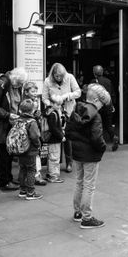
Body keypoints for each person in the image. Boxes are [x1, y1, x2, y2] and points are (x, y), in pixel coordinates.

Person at [65, 83, 111, 229]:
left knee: (79, 182)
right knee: (89, 186)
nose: (102, 107)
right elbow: (97, 139)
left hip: (77, 152)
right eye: (103, 103)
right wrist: (102, 148)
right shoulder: (95, 116)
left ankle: (77, 212)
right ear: (97, 100)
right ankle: (87, 218)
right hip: (90, 155)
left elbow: (68, 132)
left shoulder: (76, 109)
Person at [0, 67, 27, 191]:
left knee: (8, 153)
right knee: (3, 154)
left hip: (8, 124)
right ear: (14, 79)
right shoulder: (2, 84)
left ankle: (8, 178)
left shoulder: (12, 84)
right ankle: (4, 182)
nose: (19, 86)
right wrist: (7, 115)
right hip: (0, 125)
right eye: (18, 83)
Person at [42, 63, 81, 173]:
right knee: (56, 136)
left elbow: (78, 92)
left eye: (61, 76)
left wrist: (66, 96)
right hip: (55, 113)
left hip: (68, 111)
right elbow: (44, 97)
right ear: (53, 74)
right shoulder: (47, 81)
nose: (59, 78)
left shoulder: (70, 77)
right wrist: (51, 104)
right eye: (57, 76)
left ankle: (69, 162)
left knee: (67, 137)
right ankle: (56, 164)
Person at [16, 99, 43, 201]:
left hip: (20, 149)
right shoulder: (32, 122)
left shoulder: (18, 120)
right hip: (30, 149)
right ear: (32, 110)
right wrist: (38, 145)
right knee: (31, 170)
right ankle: (30, 193)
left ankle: (22, 190)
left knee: (22, 169)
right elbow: (35, 136)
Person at [22, 81, 46, 186]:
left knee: (31, 157)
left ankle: (29, 178)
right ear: (26, 92)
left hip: (34, 128)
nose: (35, 93)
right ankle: (36, 176)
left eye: (36, 91)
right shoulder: (27, 103)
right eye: (32, 91)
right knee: (34, 154)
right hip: (31, 131)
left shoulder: (35, 101)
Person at [91, 65, 119, 151]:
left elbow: (91, 95)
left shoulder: (93, 82)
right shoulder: (108, 81)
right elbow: (113, 94)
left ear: (94, 73)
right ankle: (114, 137)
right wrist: (112, 104)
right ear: (102, 72)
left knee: (97, 126)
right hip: (107, 106)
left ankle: (99, 144)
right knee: (108, 125)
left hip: (97, 108)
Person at [43, 103, 65, 183]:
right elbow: (54, 128)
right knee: (55, 157)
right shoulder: (53, 114)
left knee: (51, 156)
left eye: (60, 104)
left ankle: (50, 174)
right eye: (58, 104)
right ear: (52, 104)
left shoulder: (50, 112)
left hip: (52, 139)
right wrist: (61, 136)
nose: (60, 106)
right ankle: (53, 176)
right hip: (55, 139)